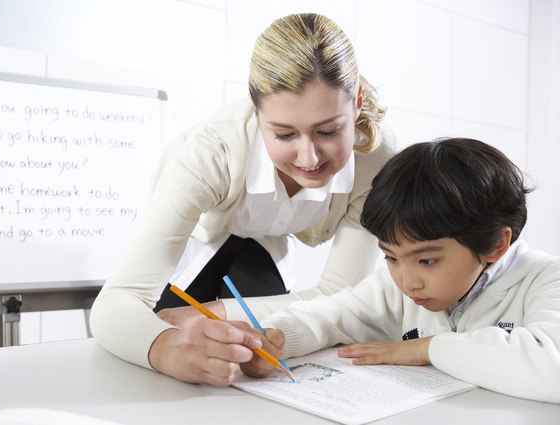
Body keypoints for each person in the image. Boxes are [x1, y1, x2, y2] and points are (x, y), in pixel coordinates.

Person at [90, 12, 396, 385]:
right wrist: (167, 349)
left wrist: (211, 312)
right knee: (164, 343)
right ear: (255, 109)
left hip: (267, 246)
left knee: (255, 349)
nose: (309, 158)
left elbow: (340, 294)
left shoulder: (378, 163)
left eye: (329, 130)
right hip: (199, 239)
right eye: (284, 134)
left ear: (357, 102)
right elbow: (116, 302)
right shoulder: (212, 151)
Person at [242, 138, 560, 403]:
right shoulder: (398, 288)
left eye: (427, 261)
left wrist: (425, 348)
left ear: (494, 244)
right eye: (391, 258)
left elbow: (552, 368)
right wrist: (279, 336)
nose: (407, 282)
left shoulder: (546, 279)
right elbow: (332, 314)